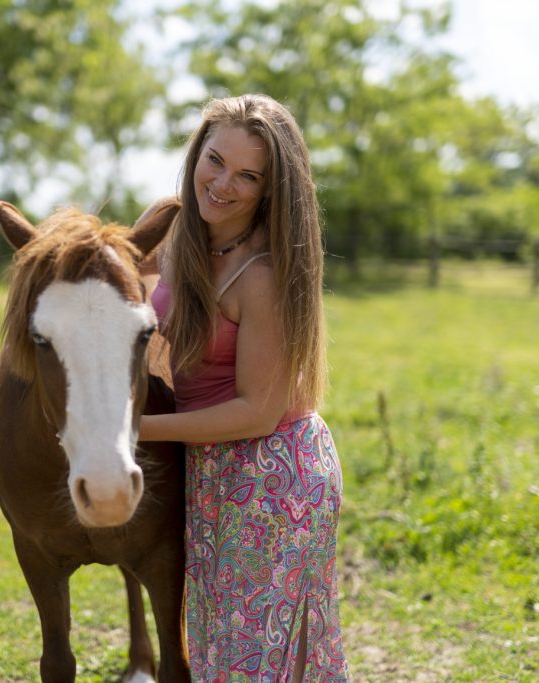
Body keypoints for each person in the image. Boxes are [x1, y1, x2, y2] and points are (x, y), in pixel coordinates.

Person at [137, 94, 349, 682]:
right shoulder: (175, 232)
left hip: (274, 475)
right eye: (215, 160)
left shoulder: (262, 274)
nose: (222, 184)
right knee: (219, 651)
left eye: (247, 175)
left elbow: (257, 412)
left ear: (270, 188)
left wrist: (134, 428)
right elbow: (112, 277)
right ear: (196, 155)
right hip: (210, 468)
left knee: (260, 659)